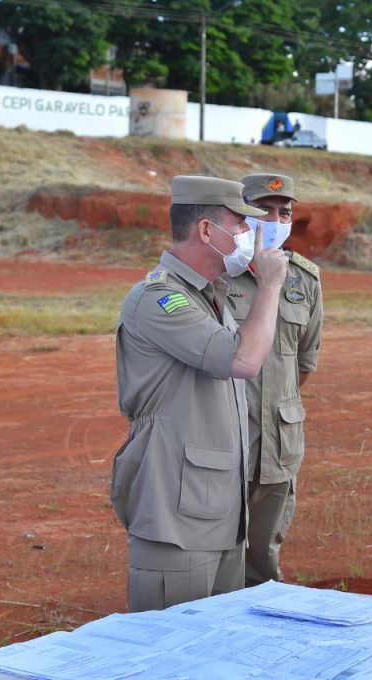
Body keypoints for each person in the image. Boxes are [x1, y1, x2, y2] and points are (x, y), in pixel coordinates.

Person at [112, 175, 288, 612]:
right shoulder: (160, 299)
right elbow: (243, 361)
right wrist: (269, 285)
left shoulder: (209, 297)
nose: (251, 234)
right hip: (177, 522)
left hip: (217, 517)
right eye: (241, 225)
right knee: (168, 659)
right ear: (207, 231)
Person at [229, 173, 323, 586]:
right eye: (263, 209)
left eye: (284, 212)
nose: (274, 219)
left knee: (263, 558)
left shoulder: (305, 280)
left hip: (277, 441)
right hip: (224, 438)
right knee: (213, 555)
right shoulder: (215, 274)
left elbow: (303, 363)